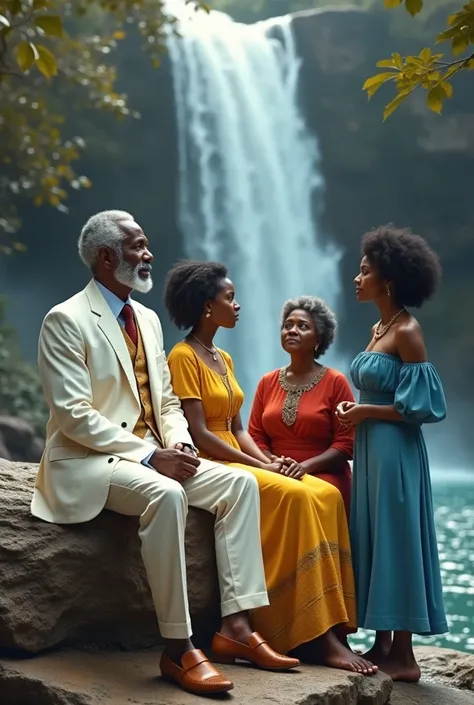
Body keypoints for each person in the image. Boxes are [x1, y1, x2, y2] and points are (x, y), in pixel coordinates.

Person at [31, 210, 299, 697]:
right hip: (88, 462)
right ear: (108, 257)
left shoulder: (149, 320)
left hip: (154, 452)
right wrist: (151, 457)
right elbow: (74, 416)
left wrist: (177, 443)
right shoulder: (65, 320)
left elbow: (169, 402)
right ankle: (178, 648)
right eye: (138, 246)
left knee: (240, 484)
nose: (149, 254)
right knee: (166, 495)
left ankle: (235, 628)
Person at [164, 260, 377, 675]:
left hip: (238, 456)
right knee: (297, 495)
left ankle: (333, 625)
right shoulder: (183, 356)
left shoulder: (221, 356)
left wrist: (269, 462)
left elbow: (238, 427)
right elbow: (201, 433)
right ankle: (308, 632)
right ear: (208, 307)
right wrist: (254, 462)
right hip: (212, 460)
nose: (238, 305)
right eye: (230, 298)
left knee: (328, 492)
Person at [336, 225, 448, 683]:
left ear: (389, 281)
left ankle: (404, 655)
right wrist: (356, 410)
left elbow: (422, 408)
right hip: (372, 453)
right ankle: (382, 642)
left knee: (398, 540)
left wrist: (365, 411)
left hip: (396, 453)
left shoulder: (408, 331)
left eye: (365, 272)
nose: (356, 279)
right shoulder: (378, 327)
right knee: (378, 537)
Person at [248, 295, 354, 517]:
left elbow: (346, 443)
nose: (292, 331)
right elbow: (255, 436)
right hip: (276, 470)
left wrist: (305, 467)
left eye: (302, 326)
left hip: (324, 474)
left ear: (318, 339)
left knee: (303, 495)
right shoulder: (267, 382)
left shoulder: (336, 382)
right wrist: (272, 462)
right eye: (288, 326)